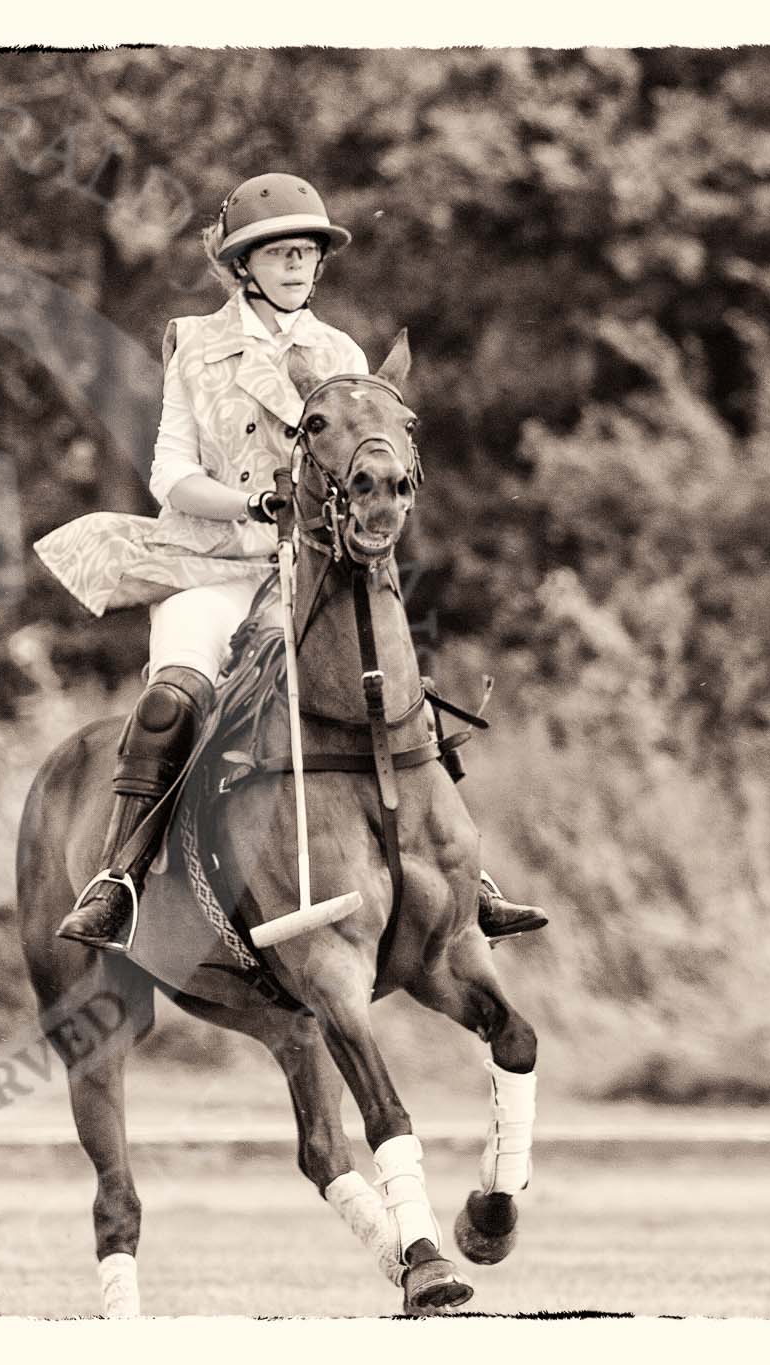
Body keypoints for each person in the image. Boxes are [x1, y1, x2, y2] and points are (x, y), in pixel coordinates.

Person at [52, 172, 550, 952]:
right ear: (243, 264)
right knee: (172, 698)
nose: (297, 265)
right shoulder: (195, 342)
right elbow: (169, 475)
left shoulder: (340, 351)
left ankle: (461, 873)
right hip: (212, 566)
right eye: (279, 252)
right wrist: (247, 507)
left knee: (392, 693)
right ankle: (120, 876)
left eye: (307, 252)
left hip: (314, 571)